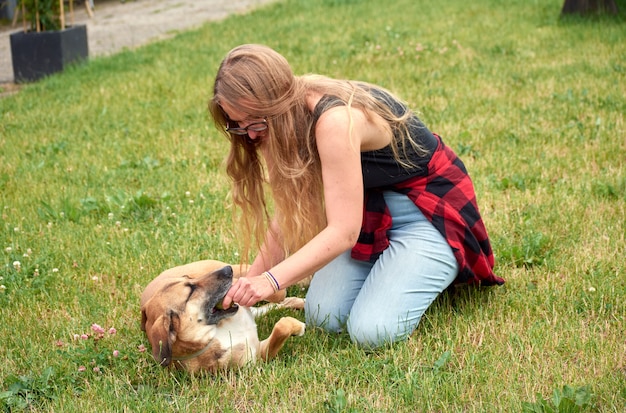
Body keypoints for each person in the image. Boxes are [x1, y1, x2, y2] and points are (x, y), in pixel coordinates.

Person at [209, 44, 504, 349]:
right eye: (239, 125)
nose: (251, 135)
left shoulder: (334, 121)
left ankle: (430, 265)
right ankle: (393, 268)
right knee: (323, 316)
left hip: (426, 213)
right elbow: (288, 212)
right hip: (370, 211)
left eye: (255, 122)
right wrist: (244, 294)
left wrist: (270, 281)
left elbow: (344, 231)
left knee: (372, 332)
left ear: (276, 103)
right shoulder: (271, 125)